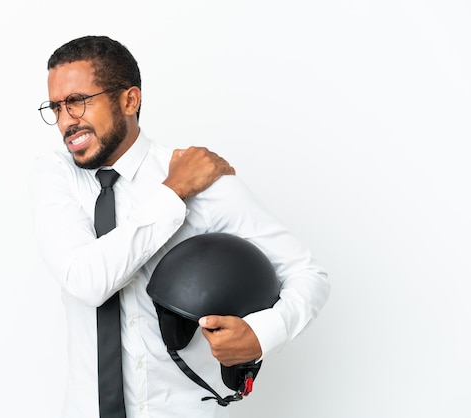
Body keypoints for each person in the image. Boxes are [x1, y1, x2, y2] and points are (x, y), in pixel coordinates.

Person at [31, 35, 330, 418]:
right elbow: (86, 280)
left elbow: (307, 273)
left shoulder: (203, 179)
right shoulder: (56, 175)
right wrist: (173, 193)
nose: (65, 121)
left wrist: (263, 334)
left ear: (129, 100)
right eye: (56, 107)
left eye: (77, 102)